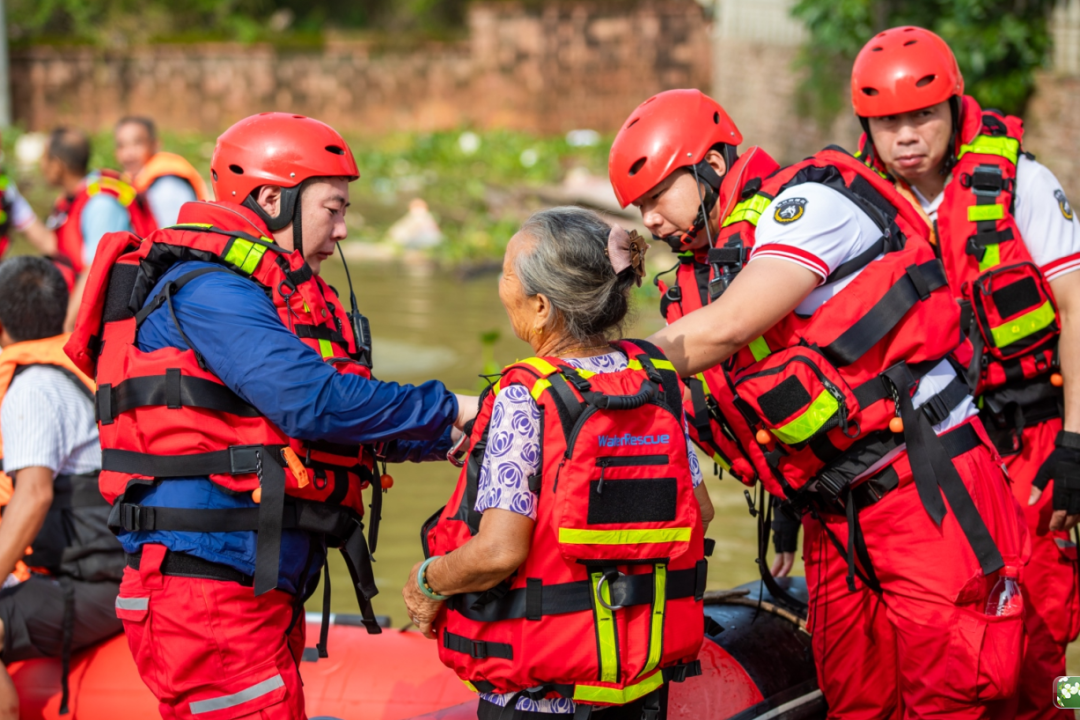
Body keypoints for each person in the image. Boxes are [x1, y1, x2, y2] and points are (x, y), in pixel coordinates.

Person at [610, 89, 1030, 718]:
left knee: (950, 695)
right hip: (832, 513)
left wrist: (585, 376)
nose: (651, 221)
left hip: (924, 482)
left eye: (656, 196)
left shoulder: (806, 207)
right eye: (639, 207)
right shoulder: (712, 266)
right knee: (855, 699)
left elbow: (725, 329)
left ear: (713, 168)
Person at [64, 112, 474, 719]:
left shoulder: (267, 292)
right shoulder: (209, 291)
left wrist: (454, 435)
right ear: (273, 198)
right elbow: (312, 402)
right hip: (206, 591)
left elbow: (347, 417)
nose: (341, 230)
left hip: (255, 586)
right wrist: (453, 407)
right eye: (333, 209)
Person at [850, 26, 1080, 719]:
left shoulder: (1020, 186)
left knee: (1038, 635)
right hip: (929, 457)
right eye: (888, 122)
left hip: (1026, 443)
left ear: (955, 108)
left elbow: (1075, 306)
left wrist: (1075, 444)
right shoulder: (850, 205)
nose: (906, 136)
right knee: (944, 641)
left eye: (922, 115)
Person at [407, 207, 714, 719]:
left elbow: (499, 551)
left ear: (543, 306)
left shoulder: (524, 397)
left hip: (540, 701)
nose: (501, 287)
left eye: (507, 275)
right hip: (640, 692)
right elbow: (698, 512)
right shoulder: (656, 383)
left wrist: (427, 582)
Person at [0, 256, 125, 719]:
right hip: (108, 574)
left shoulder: (32, 389)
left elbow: (33, 496)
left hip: (94, 587)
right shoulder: (83, 370)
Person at [41, 127, 157, 329]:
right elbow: (55, 247)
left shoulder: (100, 204)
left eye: (44, 159)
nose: (41, 165)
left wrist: (66, 328)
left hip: (116, 317)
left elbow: (93, 270)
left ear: (58, 165)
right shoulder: (75, 198)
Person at [114, 116, 210, 227]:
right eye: (121, 145)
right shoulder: (134, 179)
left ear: (155, 144)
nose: (128, 153)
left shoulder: (167, 188)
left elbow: (172, 239)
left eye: (137, 143)